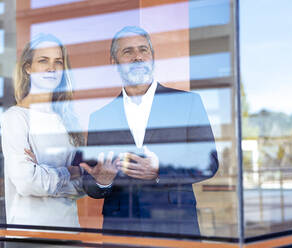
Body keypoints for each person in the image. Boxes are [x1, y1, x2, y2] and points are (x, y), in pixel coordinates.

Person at [84, 26, 219, 236]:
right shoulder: (100, 117)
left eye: (143, 50)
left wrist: (160, 171)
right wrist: (103, 181)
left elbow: (209, 163)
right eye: (127, 52)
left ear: (153, 57)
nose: (137, 57)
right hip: (121, 232)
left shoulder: (188, 102)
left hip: (175, 227)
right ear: (114, 62)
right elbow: (91, 184)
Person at [1, 34, 116, 228]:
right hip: (29, 235)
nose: (51, 68)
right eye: (43, 60)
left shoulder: (69, 121)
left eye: (58, 62)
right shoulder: (16, 117)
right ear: (28, 68)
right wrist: (71, 172)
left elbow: (82, 185)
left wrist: (46, 173)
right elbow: (26, 182)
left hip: (68, 231)